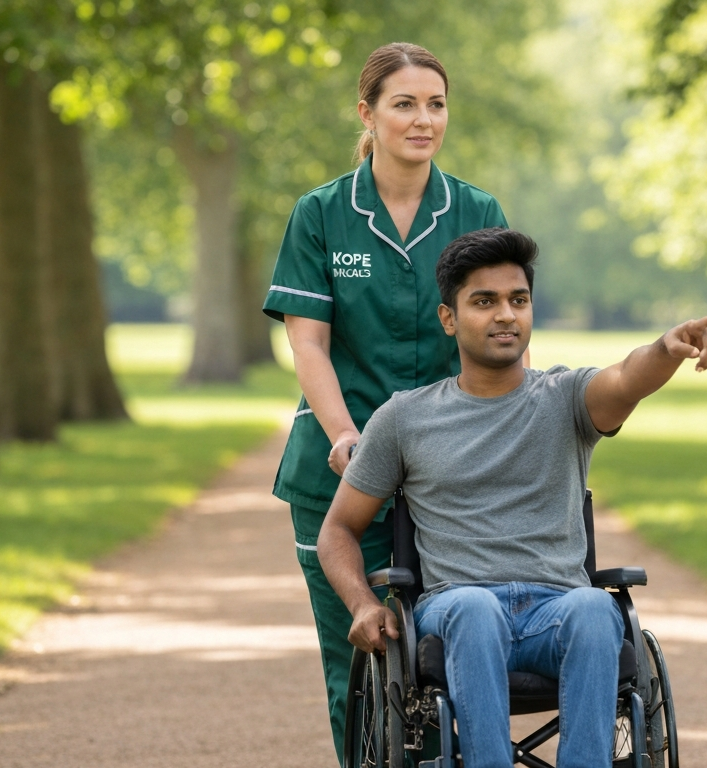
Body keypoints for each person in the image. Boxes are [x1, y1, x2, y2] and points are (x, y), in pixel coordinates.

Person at [317, 228, 707, 768]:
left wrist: (664, 350)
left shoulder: (565, 398)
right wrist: (363, 604)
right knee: (474, 606)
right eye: (484, 302)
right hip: (456, 609)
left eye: (518, 300)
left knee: (592, 606)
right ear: (449, 319)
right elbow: (338, 529)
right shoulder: (405, 418)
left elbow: (626, 378)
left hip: (555, 610)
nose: (505, 315)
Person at [260, 42, 509, 762]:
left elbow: (498, 333)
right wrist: (348, 436)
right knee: (359, 669)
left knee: (449, 652)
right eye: (404, 103)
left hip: (446, 469)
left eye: (436, 104)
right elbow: (309, 345)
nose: (423, 119)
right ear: (368, 113)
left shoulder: (476, 210)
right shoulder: (322, 215)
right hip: (335, 469)